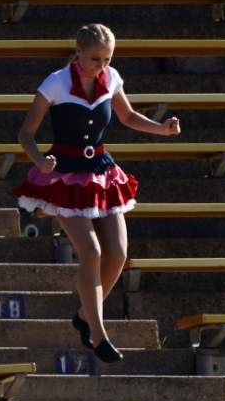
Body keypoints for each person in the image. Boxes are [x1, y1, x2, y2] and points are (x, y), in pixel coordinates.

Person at [13, 24, 180, 362]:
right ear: (78, 52)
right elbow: (26, 133)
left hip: (102, 171)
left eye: (107, 59)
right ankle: (99, 334)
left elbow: (128, 116)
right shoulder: (56, 82)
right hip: (63, 175)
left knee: (117, 253)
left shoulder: (112, 77)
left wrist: (160, 129)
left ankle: (84, 314)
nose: (101, 65)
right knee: (90, 252)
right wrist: (39, 160)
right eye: (95, 59)